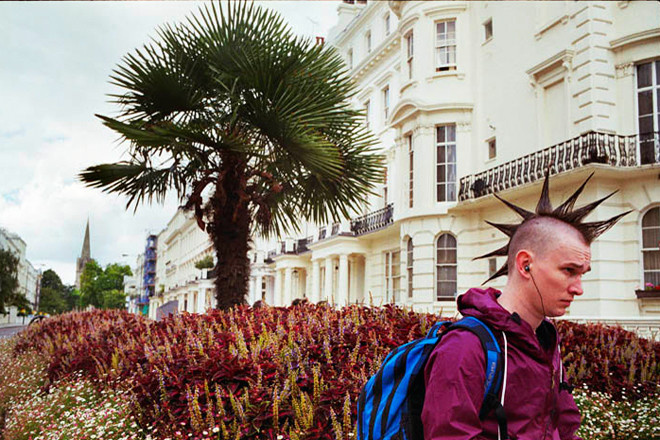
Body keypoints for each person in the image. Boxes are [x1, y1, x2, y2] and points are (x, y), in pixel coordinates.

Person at [421, 172, 629, 440]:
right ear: (525, 264)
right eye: (569, 270)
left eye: (582, 274)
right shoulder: (465, 348)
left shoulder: (545, 340)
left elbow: (564, 427)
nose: (579, 288)